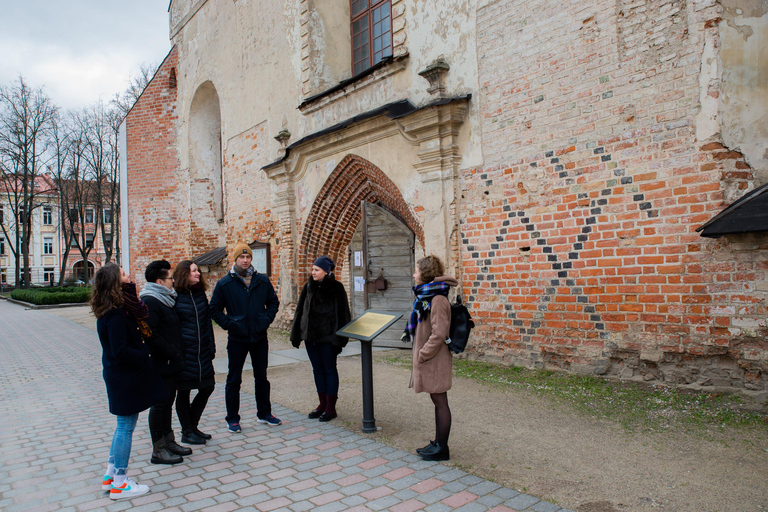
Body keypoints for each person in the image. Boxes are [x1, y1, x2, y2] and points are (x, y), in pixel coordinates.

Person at [91, 263, 165, 500]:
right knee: (125, 427)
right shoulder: (114, 314)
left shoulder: (113, 309)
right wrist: (145, 356)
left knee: (123, 426)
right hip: (124, 376)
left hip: (120, 375)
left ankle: (110, 475)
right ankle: (121, 483)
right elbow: (120, 349)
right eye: (124, 274)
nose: (129, 275)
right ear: (115, 282)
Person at [210, 242, 281, 432]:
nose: (245, 260)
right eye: (241, 257)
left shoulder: (262, 281)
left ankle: (264, 413)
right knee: (234, 379)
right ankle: (232, 418)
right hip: (237, 338)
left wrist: (265, 319)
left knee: (262, 377)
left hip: (259, 336)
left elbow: (273, 303)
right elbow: (214, 309)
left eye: (248, 257)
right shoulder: (225, 283)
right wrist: (230, 324)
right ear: (235, 259)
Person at [401, 254, 458, 461]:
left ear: (424, 274)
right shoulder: (426, 297)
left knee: (441, 401)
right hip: (432, 359)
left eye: (416, 271)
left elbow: (439, 333)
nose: (414, 274)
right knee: (437, 400)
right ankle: (438, 442)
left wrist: (423, 354)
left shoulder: (437, 299)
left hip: (435, 359)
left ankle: (442, 448)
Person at [139, 260, 190, 464]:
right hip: (162, 362)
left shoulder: (166, 299)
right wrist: (171, 352)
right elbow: (151, 335)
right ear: (159, 281)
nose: (173, 281)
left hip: (171, 361)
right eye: (170, 278)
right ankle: (158, 449)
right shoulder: (151, 301)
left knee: (168, 402)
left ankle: (169, 441)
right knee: (160, 405)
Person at [290, 256, 351, 421]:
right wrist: (297, 334)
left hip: (328, 338)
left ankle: (331, 408)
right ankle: (322, 404)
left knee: (329, 370)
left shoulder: (336, 288)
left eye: (317, 269)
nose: (313, 272)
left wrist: (339, 339)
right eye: (313, 269)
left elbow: (343, 314)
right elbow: (300, 311)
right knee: (317, 370)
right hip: (311, 338)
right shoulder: (309, 286)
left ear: (326, 271)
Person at [173, 260, 216, 444]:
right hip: (185, 353)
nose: (197, 273)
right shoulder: (175, 296)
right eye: (193, 271)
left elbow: (206, 322)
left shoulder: (199, 294)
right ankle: (187, 430)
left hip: (202, 351)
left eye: (197, 270)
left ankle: (192, 426)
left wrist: (211, 345)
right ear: (183, 274)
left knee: (208, 386)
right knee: (184, 392)